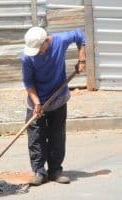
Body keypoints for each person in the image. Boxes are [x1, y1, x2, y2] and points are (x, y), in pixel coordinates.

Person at [21, 27, 86, 186]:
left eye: (39, 49)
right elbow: (29, 83)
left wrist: (82, 59)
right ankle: (39, 172)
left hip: (58, 99)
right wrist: (37, 102)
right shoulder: (27, 58)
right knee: (36, 138)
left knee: (57, 136)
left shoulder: (60, 40)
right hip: (36, 102)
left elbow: (79, 35)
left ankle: (55, 170)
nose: (37, 52)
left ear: (47, 41)